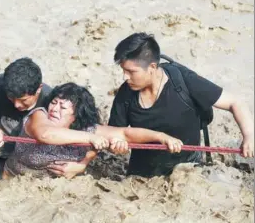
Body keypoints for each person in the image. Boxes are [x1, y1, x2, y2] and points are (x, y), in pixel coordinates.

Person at [108, 32, 254, 178]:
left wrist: (249, 136)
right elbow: (113, 135)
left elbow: (235, 102)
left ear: (152, 67)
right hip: (142, 175)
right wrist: (117, 147)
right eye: (123, 70)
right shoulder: (125, 94)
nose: (124, 77)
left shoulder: (183, 81)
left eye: (130, 71)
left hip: (187, 168)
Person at [2, 82, 184, 180]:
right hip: (12, 182)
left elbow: (125, 134)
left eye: (62, 108)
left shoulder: (86, 129)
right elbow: (46, 135)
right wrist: (91, 138)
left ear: (76, 116)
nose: (54, 109)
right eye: (54, 103)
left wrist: (161, 137)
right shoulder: (38, 116)